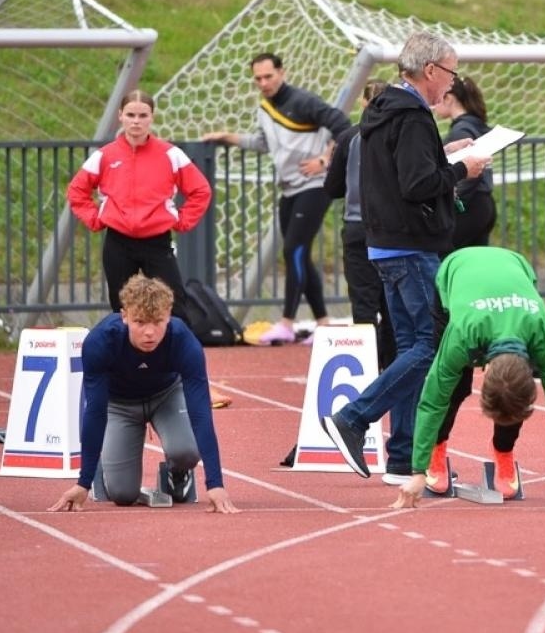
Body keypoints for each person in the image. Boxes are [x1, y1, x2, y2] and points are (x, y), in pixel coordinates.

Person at [320, 31, 489, 482]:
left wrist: (441, 152)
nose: (451, 84)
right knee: (427, 348)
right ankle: (353, 418)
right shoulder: (412, 115)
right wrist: (463, 168)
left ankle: (402, 457)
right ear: (430, 70)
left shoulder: (382, 107)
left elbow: (399, 168)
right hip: (411, 246)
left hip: (385, 244)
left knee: (409, 348)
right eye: (450, 73)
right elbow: (417, 185)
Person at [388, 246, 545, 507]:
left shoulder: (541, 333)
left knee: (513, 395)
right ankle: (437, 447)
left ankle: (503, 450)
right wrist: (418, 471)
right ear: (486, 371)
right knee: (455, 387)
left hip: (515, 266)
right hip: (457, 269)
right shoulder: (461, 336)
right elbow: (432, 400)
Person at [49, 274, 237, 513]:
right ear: (124, 316)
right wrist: (82, 482)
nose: (149, 332)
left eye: (157, 322)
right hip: (120, 404)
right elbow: (95, 412)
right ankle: (102, 469)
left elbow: (200, 413)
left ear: (169, 315)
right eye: (140, 322)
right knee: (123, 494)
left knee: (186, 452)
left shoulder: (183, 340)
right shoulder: (100, 341)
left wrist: (215, 483)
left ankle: (177, 474)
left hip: (167, 396)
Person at [203, 53, 351, 345]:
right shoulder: (265, 108)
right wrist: (226, 136)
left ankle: (286, 323)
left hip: (314, 185)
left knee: (294, 249)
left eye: (268, 76)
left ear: (282, 72)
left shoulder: (304, 101)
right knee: (299, 254)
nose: (263, 83)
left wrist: (324, 160)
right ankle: (323, 323)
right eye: (257, 78)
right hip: (289, 188)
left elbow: (343, 125)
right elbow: (262, 143)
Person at [68, 89, 211, 325]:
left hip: (157, 241)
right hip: (118, 242)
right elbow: (76, 190)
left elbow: (201, 190)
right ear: (120, 116)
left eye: (143, 115)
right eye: (131, 115)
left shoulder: (171, 154)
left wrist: (182, 220)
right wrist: (95, 219)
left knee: (175, 306)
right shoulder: (105, 156)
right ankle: (125, 349)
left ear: (152, 117)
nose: (136, 121)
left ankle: (176, 349)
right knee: (121, 310)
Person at [322, 79, 396, 373]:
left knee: (363, 304)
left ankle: (365, 371)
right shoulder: (400, 136)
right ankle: (393, 367)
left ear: (364, 103)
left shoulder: (350, 137)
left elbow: (332, 187)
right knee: (392, 303)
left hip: (357, 226)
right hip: (392, 230)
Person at [435, 74, 497, 249]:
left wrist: (452, 204)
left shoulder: (461, 131)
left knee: (444, 254)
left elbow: (469, 176)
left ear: (449, 98)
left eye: (438, 98)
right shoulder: (475, 126)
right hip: (484, 204)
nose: (434, 104)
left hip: (470, 207)